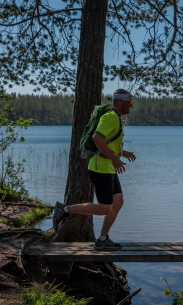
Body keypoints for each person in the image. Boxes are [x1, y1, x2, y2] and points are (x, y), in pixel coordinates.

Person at [52, 89, 136, 250]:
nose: (131, 106)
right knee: (105, 208)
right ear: (120, 102)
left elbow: (109, 142)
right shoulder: (111, 116)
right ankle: (64, 209)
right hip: (100, 168)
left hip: (109, 167)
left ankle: (102, 239)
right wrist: (114, 159)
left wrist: (123, 154)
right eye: (129, 102)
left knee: (117, 203)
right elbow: (97, 138)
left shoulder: (116, 118)